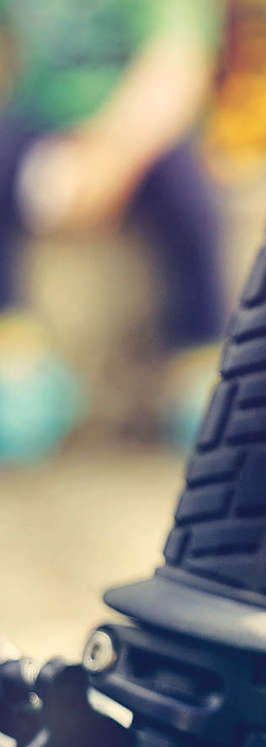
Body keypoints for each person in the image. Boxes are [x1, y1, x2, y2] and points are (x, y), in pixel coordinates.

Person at [0, 0, 226, 460]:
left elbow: (175, 66)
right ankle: (14, 356)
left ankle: (200, 361)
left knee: (191, 203)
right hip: (38, 125)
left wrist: (108, 157)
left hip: (144, 136)